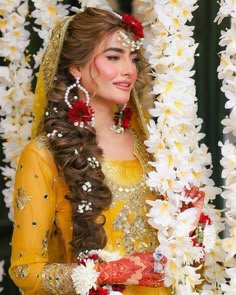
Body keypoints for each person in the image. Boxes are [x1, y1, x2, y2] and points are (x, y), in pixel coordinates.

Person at [9, 7, 205, 295]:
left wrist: (190, 225)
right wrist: (107, 272)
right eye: (114, 57)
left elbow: (172, 260)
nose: (130, 69)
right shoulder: (45, 154)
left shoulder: (151, 145)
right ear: (76, 67)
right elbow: (25, 271)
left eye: (133, 58)